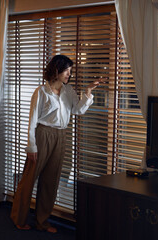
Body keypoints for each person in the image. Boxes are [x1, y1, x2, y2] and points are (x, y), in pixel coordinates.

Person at [10, 55, 103, 233]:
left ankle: (42, 222)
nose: (69, 73)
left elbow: (78, 110)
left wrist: (89, 91)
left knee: (51, 181)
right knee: (29, 180)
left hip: (61, 136)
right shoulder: (41, 92)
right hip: (42, 135)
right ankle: (18, 218)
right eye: (66, 70)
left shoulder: (69, 91)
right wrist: (31, 147)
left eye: (70, 70)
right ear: (57, 69)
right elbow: (32, 121)